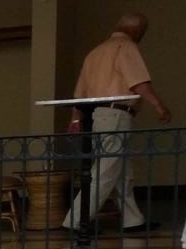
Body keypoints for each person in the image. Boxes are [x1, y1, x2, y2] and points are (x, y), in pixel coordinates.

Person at [65, 13, 171, 236]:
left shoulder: (95, 52)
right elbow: (138, 82)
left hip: (95, 115)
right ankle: (76, 220)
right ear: (138, 30)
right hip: (115, 114)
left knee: (122, 171)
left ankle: (133, 220)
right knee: (106, 169)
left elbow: (79, 92)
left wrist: (75, 119)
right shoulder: (126, 47)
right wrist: (159, 105)